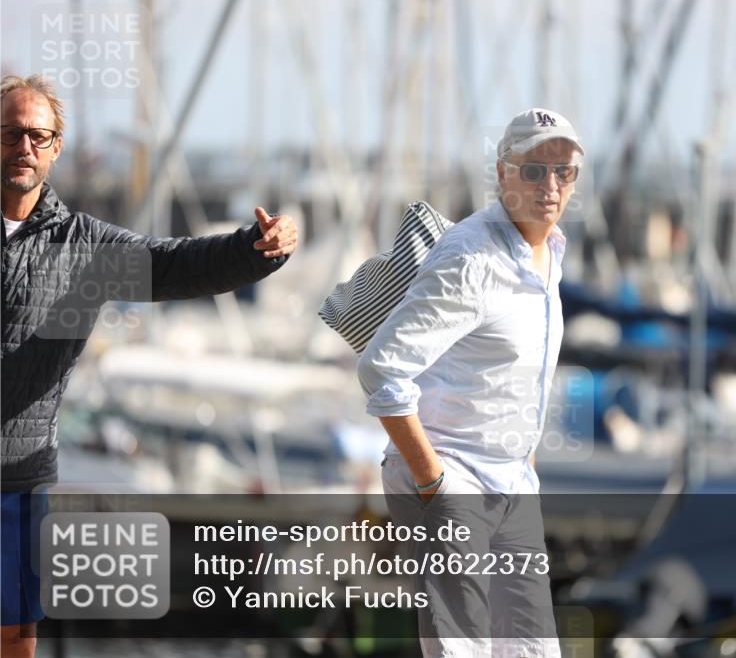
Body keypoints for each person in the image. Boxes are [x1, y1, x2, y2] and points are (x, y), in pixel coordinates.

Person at [0, 74, 298, 657]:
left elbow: (176, 266)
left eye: (39, 135)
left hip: (18, 476)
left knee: (14, 633)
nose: (24, 147)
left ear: (57, 147)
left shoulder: (85, 252)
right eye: (11, 133)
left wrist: (253, 250)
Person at [358, 108, 584, 657]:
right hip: (451, 474)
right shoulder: (471, 258)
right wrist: (434, 483)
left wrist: (524, 463)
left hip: (511, 483)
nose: (550, 186)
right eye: (534, 171)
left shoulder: (551, 253)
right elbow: (381, 368)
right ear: (504, 174)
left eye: (565, 172)